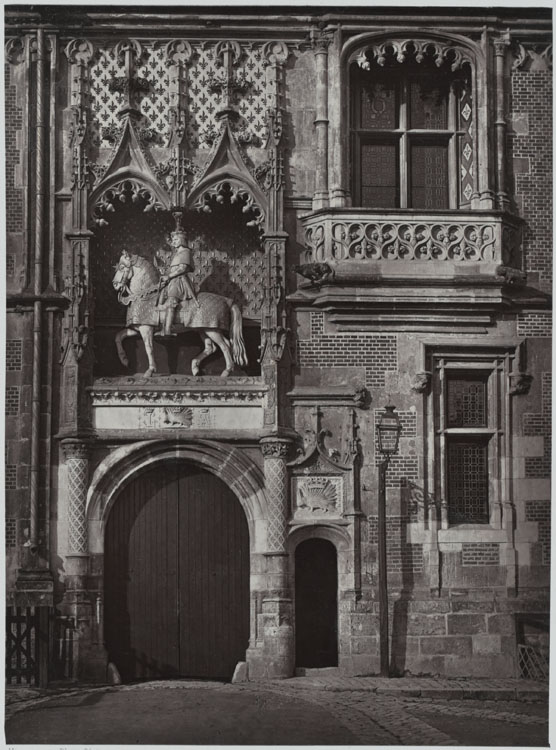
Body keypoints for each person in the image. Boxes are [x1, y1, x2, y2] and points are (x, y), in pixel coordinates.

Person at [156, 229, 199, 337]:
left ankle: (168, 330)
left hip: (179, 281)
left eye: (175, 239)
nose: (173, 242)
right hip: (172, 281)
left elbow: (182, 268)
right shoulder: (177, 252)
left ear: (181, 240)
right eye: (173, 240)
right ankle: (160, 327)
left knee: (171, 302)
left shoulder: (186, 251)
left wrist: (169, 276)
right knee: (159, 299)